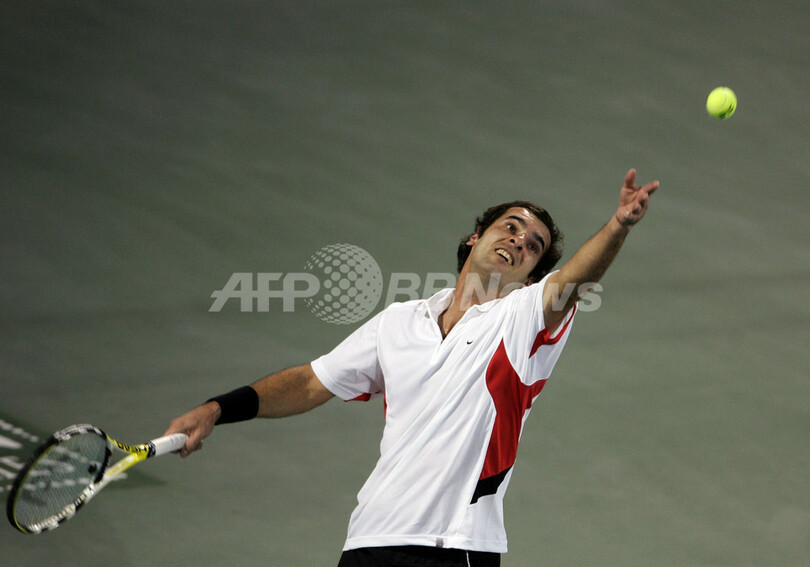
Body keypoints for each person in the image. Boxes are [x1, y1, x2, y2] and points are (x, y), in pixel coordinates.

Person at [164, 169, 659, 566]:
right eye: (510, 227)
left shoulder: (523, 319)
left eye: (533, 246)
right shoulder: (400, 321)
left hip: (454, 547)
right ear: (476, 237)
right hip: (369, 540)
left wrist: (618, 226)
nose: (518, 241)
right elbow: (312, 382)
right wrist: (216, 409)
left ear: (532, 276)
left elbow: (573, 281)